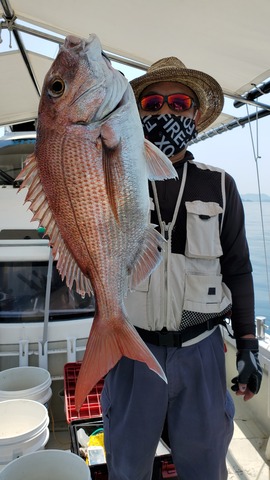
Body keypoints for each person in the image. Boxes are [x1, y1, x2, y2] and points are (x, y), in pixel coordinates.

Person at [101, 57, 262, 480]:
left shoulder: (220, 185)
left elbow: (240, 270)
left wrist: (247, 344)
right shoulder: (112, 176)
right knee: (126, 466)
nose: (165, 112)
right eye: (152, 104)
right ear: (135, 116)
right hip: (131, 349)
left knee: (206, 467)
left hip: (203, 350)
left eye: (178, 103)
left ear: (193, 113)